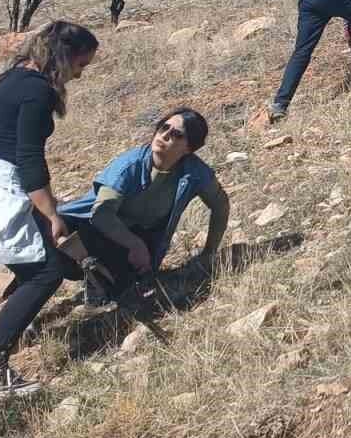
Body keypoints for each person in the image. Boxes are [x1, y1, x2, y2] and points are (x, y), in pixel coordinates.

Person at [0, 21, 99, 399]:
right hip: (0, 187)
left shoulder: (5, 81)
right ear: (65, 57)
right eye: (80, 65)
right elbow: (29, 160)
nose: (79, 74)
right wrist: (52, 215)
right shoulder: (37, 91)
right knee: (46, 270)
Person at [57, 107, 230, 303]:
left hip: (134, 237)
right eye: (164, 127)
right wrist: (135, 245)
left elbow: (220, 205)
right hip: (89, 227)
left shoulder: (195, 173)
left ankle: (99, 278)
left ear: (189, 148)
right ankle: (84, 265)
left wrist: (210, 251)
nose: (164, 135)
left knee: (124, 294)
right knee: (51, 264)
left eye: (176, 134)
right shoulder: (131, 164)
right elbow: (101, 215)